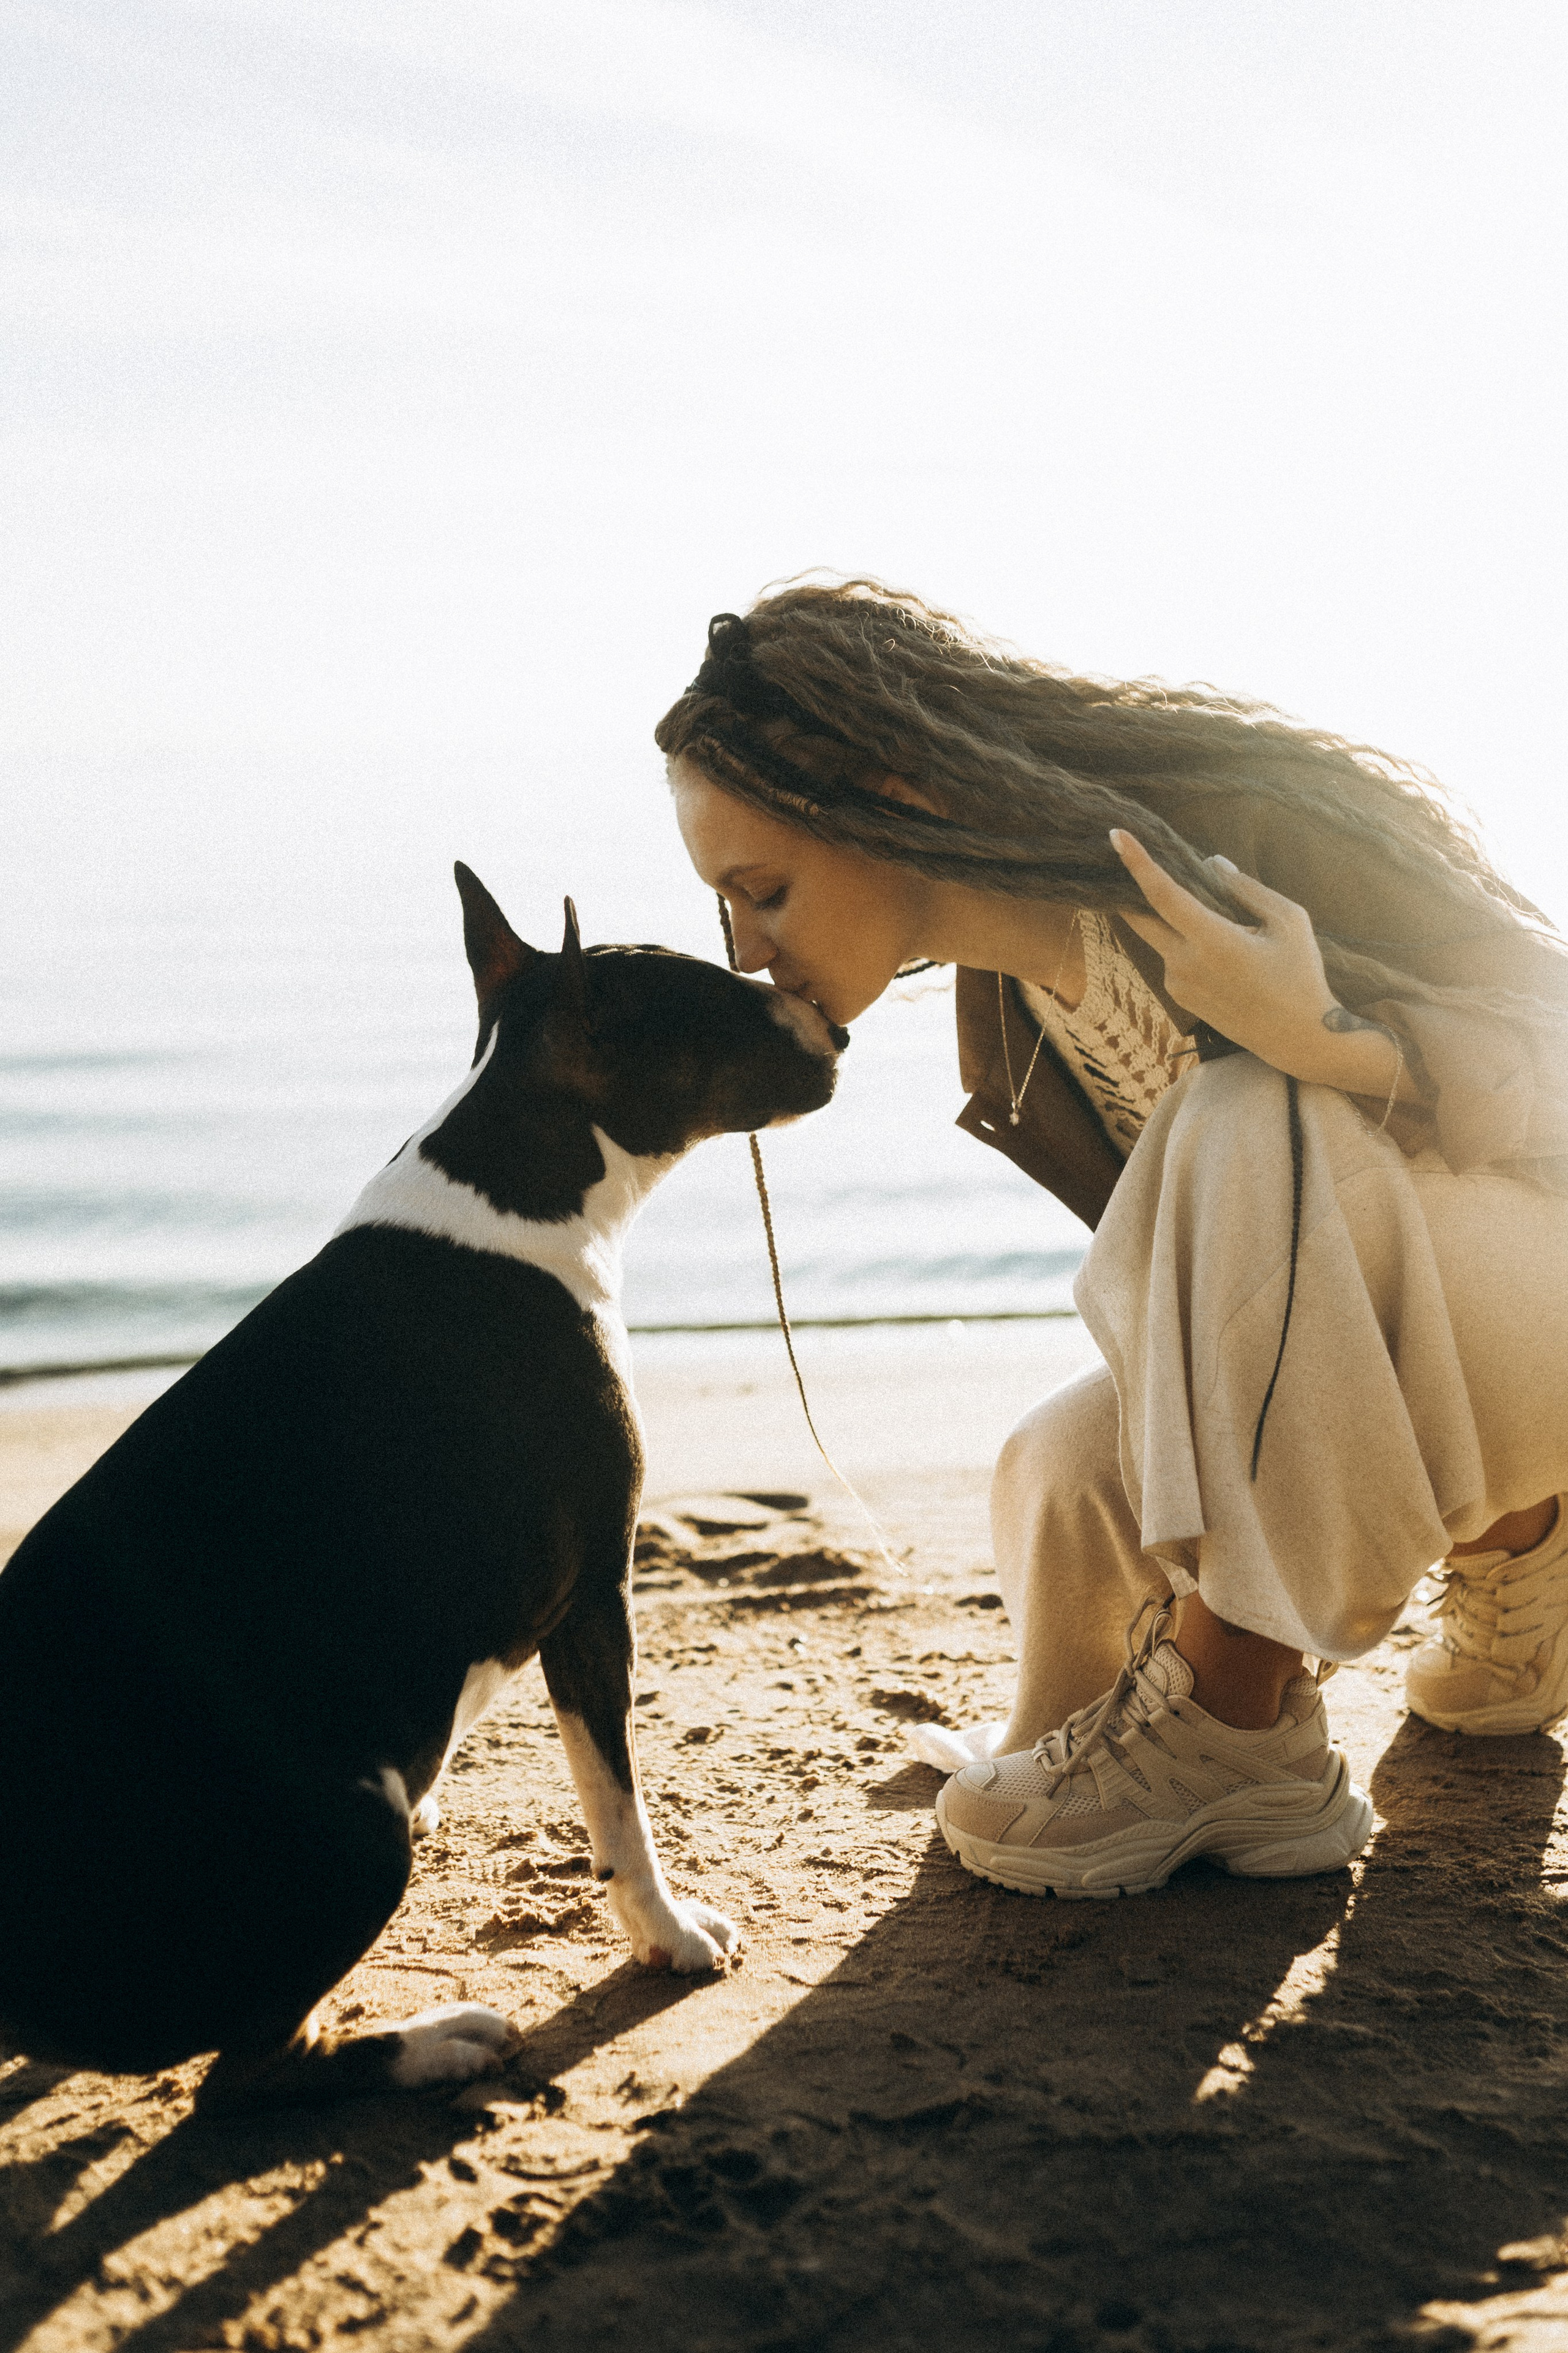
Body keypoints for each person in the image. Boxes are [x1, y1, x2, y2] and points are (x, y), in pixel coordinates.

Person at [656, 580, 1568, 1898]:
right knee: (1062, 1466)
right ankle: (1513, 1555)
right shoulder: (1012, 1016)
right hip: (1426, 1349)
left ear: (888, 798)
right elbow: (1214, 1318)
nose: (746, 948)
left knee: (1249, 1102)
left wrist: (1322, 1038)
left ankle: (1234, 1713)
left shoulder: (1221, 844)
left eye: (765, 889)